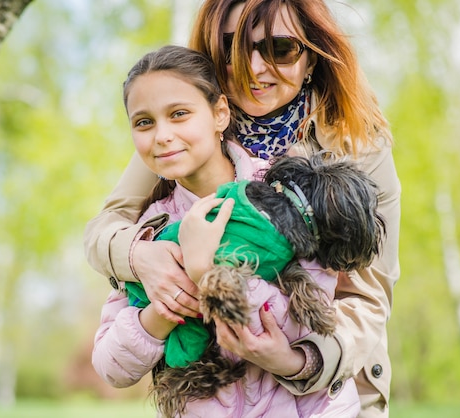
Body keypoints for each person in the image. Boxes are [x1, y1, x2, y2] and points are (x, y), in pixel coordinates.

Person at [85, 1, 400, 417]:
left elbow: (367, 296)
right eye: (233, 47)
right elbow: (105, 228)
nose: (254, 67)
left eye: (281, 48)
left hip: (322, 396)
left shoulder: (357, 144)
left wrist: (295, 361)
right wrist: (144, 258)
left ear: (311, 58)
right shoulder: (182, 131)